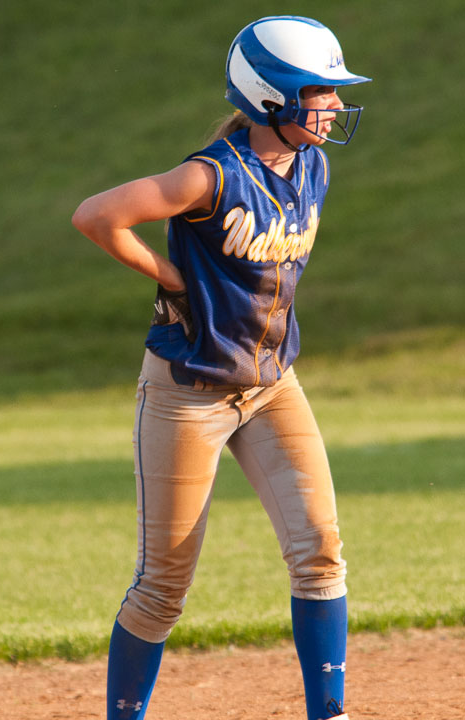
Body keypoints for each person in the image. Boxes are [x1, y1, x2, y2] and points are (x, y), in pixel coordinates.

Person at [72, 15, 371, 720]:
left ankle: (330, 713)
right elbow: (97, 215)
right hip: (189, 392)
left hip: (271, 385)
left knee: (320, 552)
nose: (334, 105)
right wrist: (173, 278)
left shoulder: (312, 166)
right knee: (163, 586)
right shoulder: (209, 175)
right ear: (271, 97)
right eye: (319, 91)